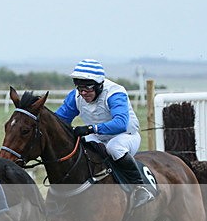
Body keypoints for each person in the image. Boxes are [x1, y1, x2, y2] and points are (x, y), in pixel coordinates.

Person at [55, 59, 154, 208]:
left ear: (99, 84)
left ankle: (140, 188)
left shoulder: (114, 93)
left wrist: (90, 129)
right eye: (79, 88)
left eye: (87, 88)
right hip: (99, 136)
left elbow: (120, 123)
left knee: (114, 148)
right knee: (80, 146)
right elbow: (59, 119)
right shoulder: (75, 96)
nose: (83, 93)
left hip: (125, 136)